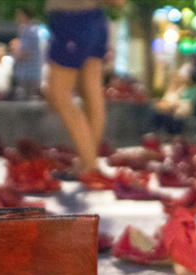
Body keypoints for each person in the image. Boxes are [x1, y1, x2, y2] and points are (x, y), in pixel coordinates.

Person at [45, 0, 122, 187]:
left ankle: (90, 166)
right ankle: (87, 163)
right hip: (93, 20)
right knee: (91, 94)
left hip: (73, 20)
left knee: (58, 95)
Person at [14, 8, 43, 99]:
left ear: (24, 16)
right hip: (30, 74)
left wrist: (15, 55)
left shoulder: (29, 30)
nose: (16, 18)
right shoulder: (31, 29)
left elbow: (25, 52)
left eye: (18, 15)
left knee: (27, 102)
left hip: (29, 74)